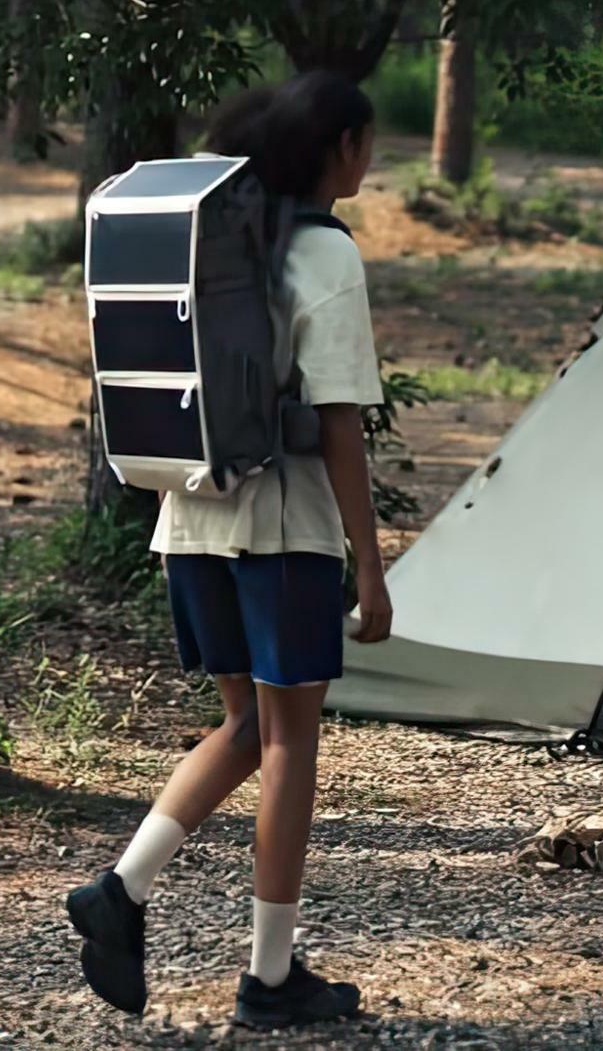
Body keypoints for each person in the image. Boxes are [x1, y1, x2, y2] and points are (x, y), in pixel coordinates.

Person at [65, 72, 391, 1030]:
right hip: (282, 529)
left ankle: (121, 893)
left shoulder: (225, 242)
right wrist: (369, 566)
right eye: (366, 142)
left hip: (191, 515)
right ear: (342, 146)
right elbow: (338, 422)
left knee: (247, 729)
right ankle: (270, 976)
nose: (370, 159)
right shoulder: (322, 255)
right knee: (291, 740)